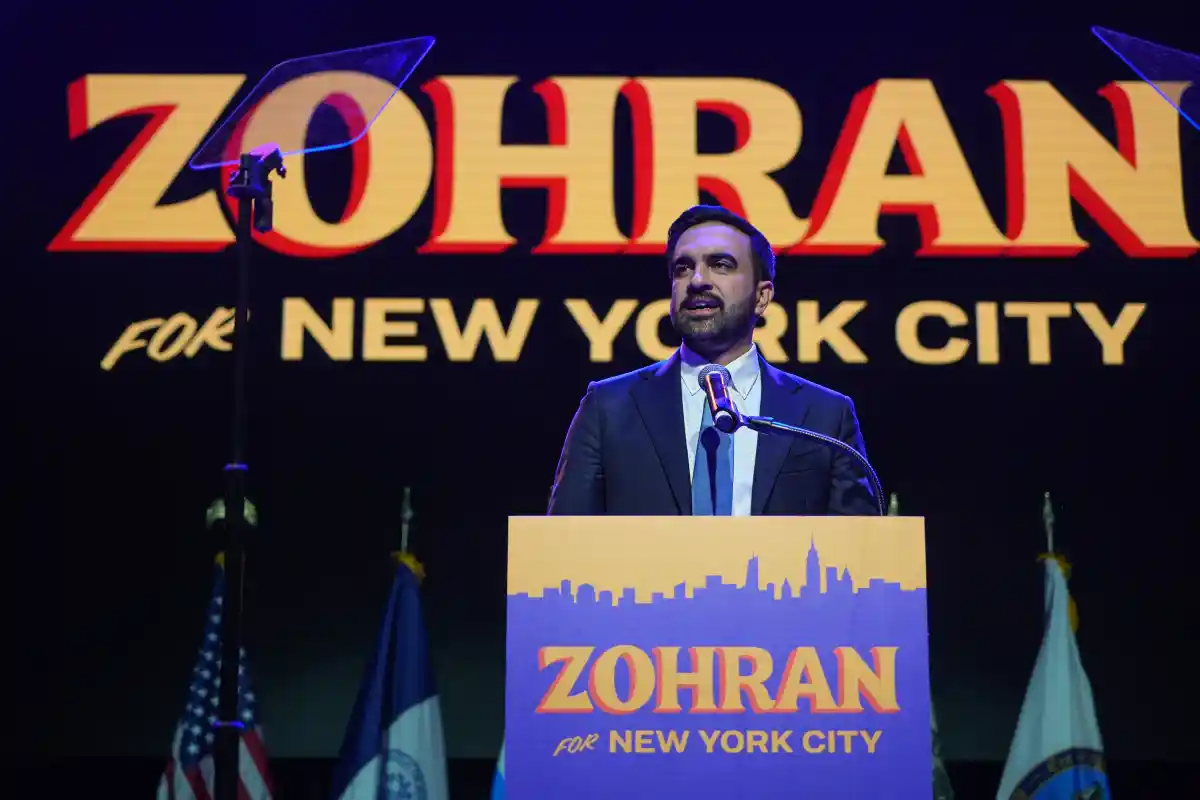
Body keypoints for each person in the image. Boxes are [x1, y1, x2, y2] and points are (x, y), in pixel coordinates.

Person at [548, 204, 878, 516]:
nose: (697, 281)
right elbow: (564, 543)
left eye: (721, 265)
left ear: (762, 297)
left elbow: (857, 554)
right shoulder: (609, 408)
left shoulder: (824, 417)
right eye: (683, 268)